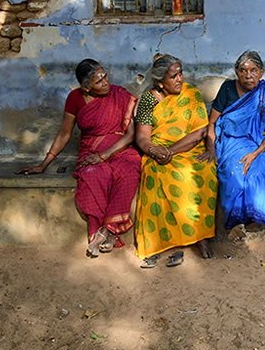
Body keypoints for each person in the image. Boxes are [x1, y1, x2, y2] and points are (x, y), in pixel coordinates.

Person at [17, 59, 141, 257]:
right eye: (98, 82)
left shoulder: (120, 94)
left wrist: (105, 155)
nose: (106, 83)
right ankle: (105, 232)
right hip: (91, 150)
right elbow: (65, 134)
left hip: (120, 149)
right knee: (92, 175)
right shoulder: (74, 98)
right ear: (85, 87)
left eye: (105, 76)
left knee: (127, 173)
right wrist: (44, 164)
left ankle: (105, 231)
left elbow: (130, 134)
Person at [134, 54, 218, 266]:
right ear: (160, 82)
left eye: (180, 73)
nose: (180, 79)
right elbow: (142, 137)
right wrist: (154, 151)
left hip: (187, 149)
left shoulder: (191, 94)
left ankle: (201, 237)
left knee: (204, 173)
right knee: (156, 173)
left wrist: (170, 151)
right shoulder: (149, 100)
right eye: (174, 76)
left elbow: (200, 131)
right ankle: (161, 239)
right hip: (159, 152)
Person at [201, 51, 265, 230]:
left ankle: (255, 217)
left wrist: (256, 153)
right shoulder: (227, 89)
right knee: (235, 171)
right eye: (243, 70)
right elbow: (211, 123)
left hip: (263, 144)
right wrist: (211, 148)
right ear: (236, 72)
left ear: (261, 71)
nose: (248, 75)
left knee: (262, 170)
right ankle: (236, 223)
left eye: (253, 70)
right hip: (232, 142)